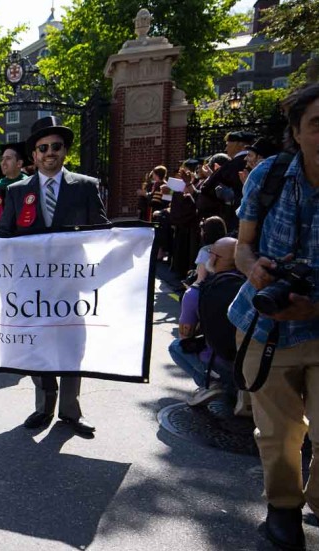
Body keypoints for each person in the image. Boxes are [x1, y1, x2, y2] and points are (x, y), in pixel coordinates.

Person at [228, 83, 319, 551]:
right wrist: (253, 267)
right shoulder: (269, 176)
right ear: (297, 132)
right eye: (317, 124)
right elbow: (243, 246)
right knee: (280, 431)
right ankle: (282, 509)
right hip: (266, 328)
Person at [0, 115, 108, 436]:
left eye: (56, 146)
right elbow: (4, 235)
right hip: (31, 290)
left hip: (72, 287)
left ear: (64, 151)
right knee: (37, 346)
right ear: (33, 155)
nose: (49, 152)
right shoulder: (17, 192)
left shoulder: (85, 187)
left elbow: (103, 233)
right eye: (42, 148)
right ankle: (43, 407)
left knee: (73, 347)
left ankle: (70, 412)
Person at [168, 237, 242, 406]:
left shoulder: (195, 293)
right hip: (255, 366)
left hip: (223, 362)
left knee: (176, 346)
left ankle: (211, 384)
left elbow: (185, 337)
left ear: (214, 258)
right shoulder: (251, 286)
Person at [0, 142, 29, 232]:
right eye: (2, 159)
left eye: (8, 159)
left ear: (19, 163)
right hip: (0, 238)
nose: (3, 163)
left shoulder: (30, 186)